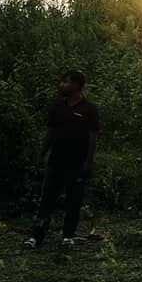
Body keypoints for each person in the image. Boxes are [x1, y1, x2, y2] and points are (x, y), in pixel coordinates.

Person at [25, 69, 99, 252]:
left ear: (76, 85)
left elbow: (92, 137)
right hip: (55, 161)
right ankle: (36, 236)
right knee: (46, 199)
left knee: (73, 201)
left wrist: (89, 162)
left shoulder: (89, 109)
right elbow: (50, 133)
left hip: (77, 163)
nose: (62, 85)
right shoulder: (57, 107)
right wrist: (41, 154)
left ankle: (68, 236)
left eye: (65, 82)